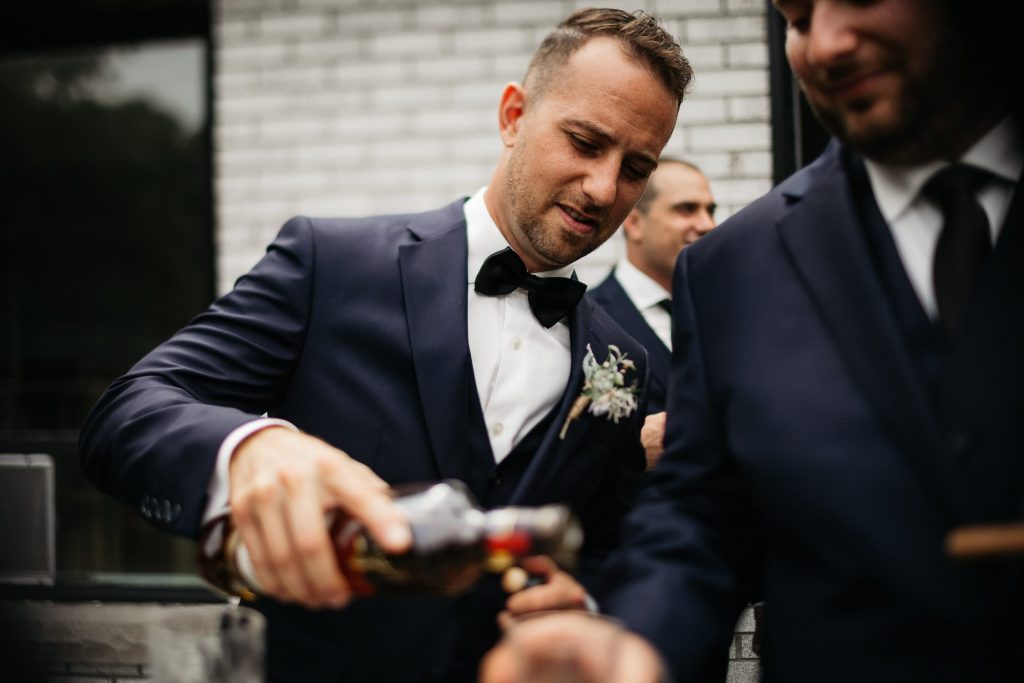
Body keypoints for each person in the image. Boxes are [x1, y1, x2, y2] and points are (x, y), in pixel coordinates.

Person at [78, 8, 693, 683]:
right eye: (583, 141)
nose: (605, 189)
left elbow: (607, 544)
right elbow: (127, 413)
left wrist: (589, 602)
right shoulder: (332, 265)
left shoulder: (624, 363)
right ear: (514, 116)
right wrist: (248, 448)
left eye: (635, 167)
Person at [481, 0, 1024, 681]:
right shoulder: (735, 266)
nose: (824, 44)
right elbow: (702, 511)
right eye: (795, 18)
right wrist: (632, 637)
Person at [591, 158, 716, 417]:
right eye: (687, 209)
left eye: (710, 210)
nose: (707, 225)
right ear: (634, 223)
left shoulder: (724, 308)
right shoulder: (589, 319)